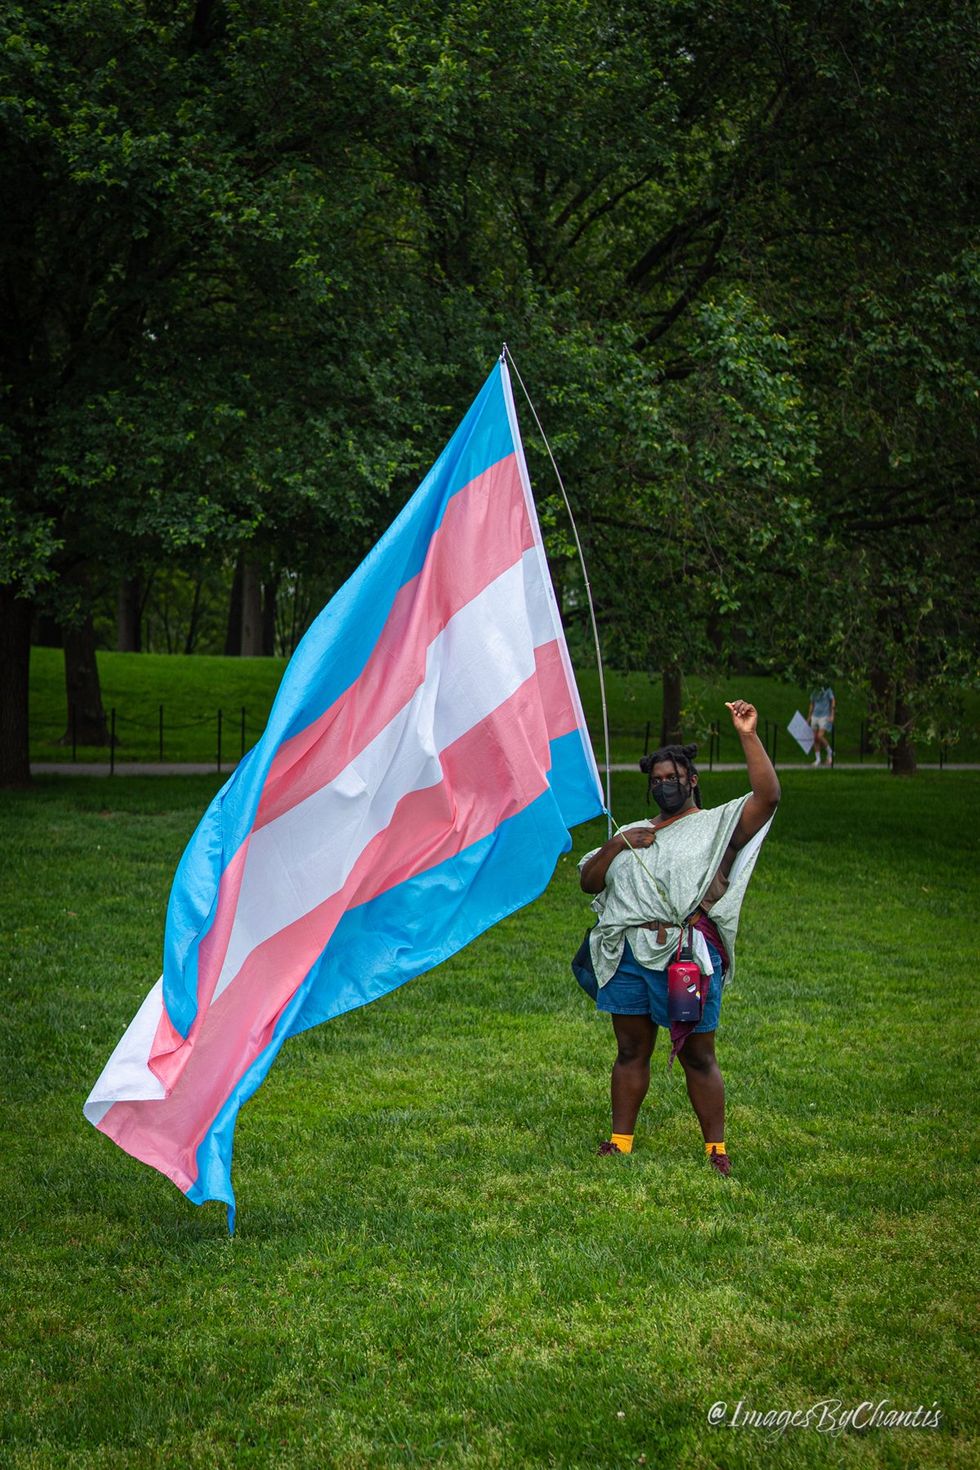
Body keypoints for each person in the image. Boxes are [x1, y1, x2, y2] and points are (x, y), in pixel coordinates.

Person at [577, 700, 779, 1176]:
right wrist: (618, 843)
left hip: (685, 956)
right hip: (626, 953)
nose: (665, 784)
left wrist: (748, 733)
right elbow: (589, 879)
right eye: (657, 778)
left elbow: (767, 797)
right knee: (630, 1049)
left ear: (692, 780)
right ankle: (620, 1141)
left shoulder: (716, 825)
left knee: (696, 1054)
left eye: (674, 776)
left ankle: (716, 1149)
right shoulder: (633, 830)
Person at [807, 684, 836, 766]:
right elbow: (812, 704)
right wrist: (809, 717)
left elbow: (833, 700)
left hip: (824, 716)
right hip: (815, 716)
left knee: (820, 736)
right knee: (815, 738)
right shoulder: (815, 689)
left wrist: (832, 715)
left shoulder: (828, 689)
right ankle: (818, 759)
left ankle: (830, 752)